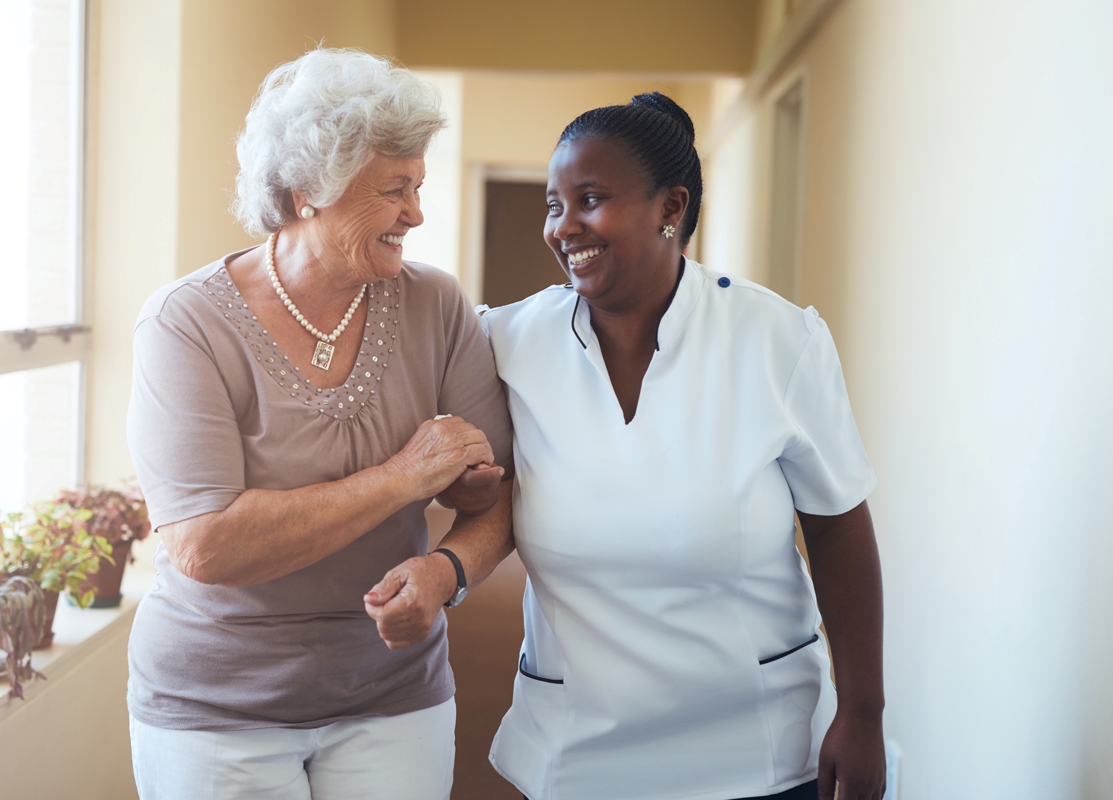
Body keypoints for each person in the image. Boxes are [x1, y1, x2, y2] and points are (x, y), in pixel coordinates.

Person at [124, 49, 513, 800]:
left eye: (420, 186)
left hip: (394, 692)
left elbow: (494, 496)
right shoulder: (186, 324)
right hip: (215, 708)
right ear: (308, 191)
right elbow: (206, 545)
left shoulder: (436, 305)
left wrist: (447, 568)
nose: (417, 213)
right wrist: (404, 477)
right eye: (394, 189)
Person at [477, 93, 886, 800]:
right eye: (554, 204)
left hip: (755, 752)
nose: (563, 226)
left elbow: (838, 529)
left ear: (672, 208)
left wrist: (863, 711)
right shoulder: (506, 343)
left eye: (591, 199)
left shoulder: (776, 341)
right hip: (577, 753)